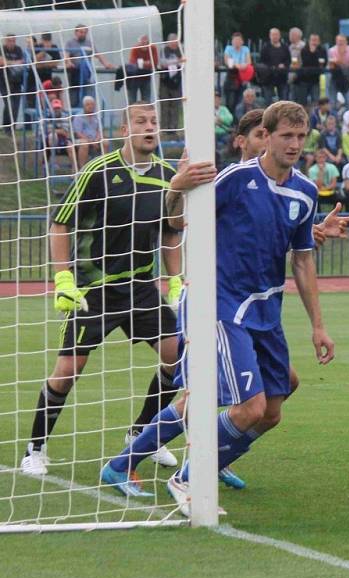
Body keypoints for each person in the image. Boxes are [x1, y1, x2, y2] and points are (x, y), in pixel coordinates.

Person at [101, 102, 336, 512]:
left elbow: (302, 258)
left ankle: (142, 463)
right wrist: (177, 186)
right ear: (266, 135)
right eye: (286, 136)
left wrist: (318, 325)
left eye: (302, 137)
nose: (295, 144)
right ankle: (190, 477)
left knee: (272, 409)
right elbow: (176, 223)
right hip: (219, 302)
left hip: (263, 311)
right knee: (246, 406)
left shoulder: (306, 191)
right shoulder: (233, 179)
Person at [19, 103, 210, 476]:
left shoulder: (169, 177)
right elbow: (60, 225)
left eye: (154, 122)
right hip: (95, 288)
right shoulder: (98, 172)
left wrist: (175, 280)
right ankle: (35, 449)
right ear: (125, 129)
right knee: (69, 370)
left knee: (178, 357)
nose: (149, 128)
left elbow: (171, 231)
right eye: (141, 122)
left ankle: (141, 435)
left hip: (140, 287)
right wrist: (63, 278)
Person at [64, 25, 115, 110]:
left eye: (85, 32)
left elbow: (97, 55)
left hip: (86, 73)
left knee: (87, 96)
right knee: (74, 96)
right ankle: (74, 115)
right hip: (75, 73)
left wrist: (106, 64)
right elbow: (66, 55)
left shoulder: (89, 43)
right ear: (76, 32)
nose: (83, 34)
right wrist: (69, 62)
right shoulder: (70, 43)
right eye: (81, 32)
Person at [259, 28, 291, 104]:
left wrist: (284, 65)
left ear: (279, 36)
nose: (275, 36)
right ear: (270, 36)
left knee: (283, 101)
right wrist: (272, 66)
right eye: (273, 34)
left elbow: (288, 60)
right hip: (268, 78)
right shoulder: (265, 47)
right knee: (268, 101)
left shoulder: (285, 47)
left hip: (282, 77)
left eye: (276, 34)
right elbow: (262, 61)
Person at [72, 95, 106, 167]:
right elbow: (78, 133)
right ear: (83, 106)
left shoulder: (97, 116)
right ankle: (82, 168)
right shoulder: (78, 117)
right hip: (81, 140)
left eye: (92, 104)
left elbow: (99, 131)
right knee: (85, 144)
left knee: (105, 142)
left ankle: (103, 166)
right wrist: (91, 142)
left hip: (95, 140)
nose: (90, 106)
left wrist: (96, 140)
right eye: (88, 104)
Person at [222, 32, 252, 112]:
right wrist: (238, 65)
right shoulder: (228, 48)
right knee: (230, 101)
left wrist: (243, 65)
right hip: (231, 78)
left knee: (241, 100)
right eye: (235, 40)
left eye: (238, 40)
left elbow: (249, 62)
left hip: (242, 78)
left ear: (242, 41)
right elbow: (227, 62)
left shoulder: (245, 49)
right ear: (232, 41)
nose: (236, 42)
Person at [1, 34, 25, 129]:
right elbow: (2, 62)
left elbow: (22, 61)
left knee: (16, 104)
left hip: (16, 80)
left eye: (13, 41)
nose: (11, 43)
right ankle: (6, 126)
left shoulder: (18, 49)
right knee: (9, 103)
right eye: (9, 41)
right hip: (3, 80)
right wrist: (14, 63)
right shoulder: (1, 49)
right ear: (5, 41)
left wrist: (8, 62)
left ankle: (12, 127)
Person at [159, 34, 183, 133]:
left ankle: (174, 128)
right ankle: (164, 128)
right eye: (172, 41)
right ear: (168, 41)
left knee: (175, 105)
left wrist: (178, 62)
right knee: (165, 105)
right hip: (165, 81)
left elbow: (184, 61)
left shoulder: (181, 49)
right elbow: (162, 63)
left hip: (177, 81)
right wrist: (177, 61)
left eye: (176, 41)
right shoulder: (164, 50)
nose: (175, 43)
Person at [327, 34, 349, 109]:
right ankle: (332, 119)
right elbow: (331, 65)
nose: (340, 43)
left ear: (346, 42)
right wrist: (344, 62)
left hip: (346, 79)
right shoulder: (331, 50)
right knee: (332, 103)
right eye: (338, 41)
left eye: (342, 41)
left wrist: (339, 62)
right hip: (334, 79)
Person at [126, 34, 158, 103]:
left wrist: (141, 63)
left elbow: (155, 63)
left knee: (146, 101)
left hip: (146, 77)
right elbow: (133, 63)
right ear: (139, 43)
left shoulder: (153, 48)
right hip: (133, 78)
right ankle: (132, 113)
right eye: (142, 43)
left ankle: (145, 113)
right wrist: (147, 63)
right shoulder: (135, 49)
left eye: (146, 43)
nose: (144, 45)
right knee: (132, 101)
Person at [296, 33, 326, 107]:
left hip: (315, 79)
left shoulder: (322, 50)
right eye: (312, 40)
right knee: (302, 103)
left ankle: (314, 118)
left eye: (316, 40)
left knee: (316, 102)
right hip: (303, 79)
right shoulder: (304, 49)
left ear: (319, 41)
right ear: (309, 41)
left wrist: (315, 52)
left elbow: (324, 63)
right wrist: (312, 53)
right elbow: (306, 62)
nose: (314, 42)